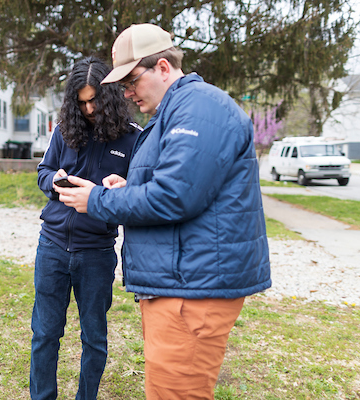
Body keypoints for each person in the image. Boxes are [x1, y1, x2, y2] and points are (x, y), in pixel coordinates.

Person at [55, 24, 271, 399]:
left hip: (191, 290)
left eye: (132, 81)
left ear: (164, 68)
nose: (126, 93)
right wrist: (131, 189)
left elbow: (174, 197)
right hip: (180, 284)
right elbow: (182, 185)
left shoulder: (199, 108)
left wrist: (98, 201)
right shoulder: (176, 111)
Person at [30, 56, 141, 400]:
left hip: (96, 254)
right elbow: (43, 172)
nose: (89, 109)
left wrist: (122, 187)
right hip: (52, 247)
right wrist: (56, 182)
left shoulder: (133, 139)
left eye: (95, 100)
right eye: (81, 102)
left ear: (109, 95)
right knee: (45, 334)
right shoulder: (66, 130)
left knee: (94, 337)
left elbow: (137, 196)